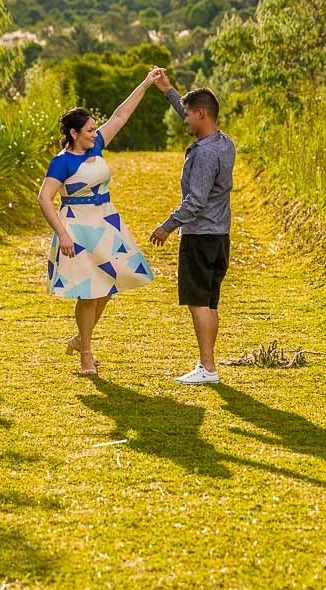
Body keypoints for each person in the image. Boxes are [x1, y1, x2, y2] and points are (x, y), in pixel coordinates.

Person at [37, 72, 158, 375]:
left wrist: (145, 83)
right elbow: (44, 198)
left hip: (106, 224)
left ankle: (81, 338)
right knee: (89, 293)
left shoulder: (96, 146)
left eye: (95, 129)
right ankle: (86, 355)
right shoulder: (62, 162)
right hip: (77, 230)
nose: (95, 133)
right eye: (90, 130)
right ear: (74, 133)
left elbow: (121, 115)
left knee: (107, 287)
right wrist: (63, 235)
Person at [148, 68, 236, 385]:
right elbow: (193, 117)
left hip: (199, 237)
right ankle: (207, 364)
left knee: (198, 303)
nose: (184, 120)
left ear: (201, 114)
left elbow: (195, 201)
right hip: (219, 236)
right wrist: (169, 91)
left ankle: (208, 368)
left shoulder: (204, 155)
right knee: (209, 303)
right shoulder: (223, 143)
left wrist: (167, 226)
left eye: (187, 115)